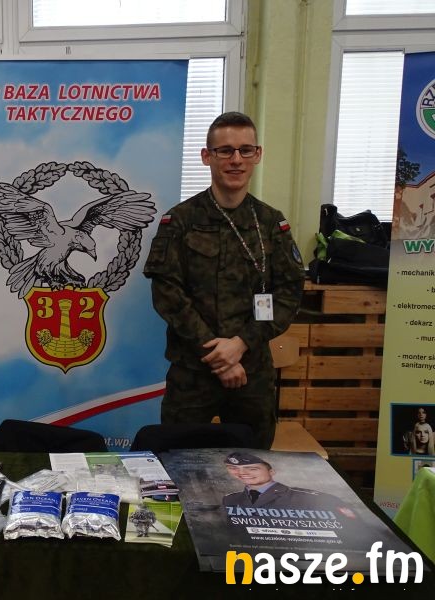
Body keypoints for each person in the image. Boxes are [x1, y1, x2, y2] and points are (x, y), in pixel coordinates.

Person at [143, 112, 305, 449]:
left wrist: (240, 344)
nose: (236, 160)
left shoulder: (271, 224)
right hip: (193, 373)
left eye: (246, 150)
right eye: (225, 150)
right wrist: (218, 355)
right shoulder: (180, 221)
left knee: (253, 468)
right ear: (207, 156)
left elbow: (288, 293)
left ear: (257, 155)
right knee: (177, 463)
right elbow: (167, 294)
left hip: (252, 374)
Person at [221, 452, 352, 513]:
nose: (242, 473)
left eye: (252, 469)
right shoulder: (230, 499)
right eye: (233, 468)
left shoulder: (310, 498)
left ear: (272, 472)